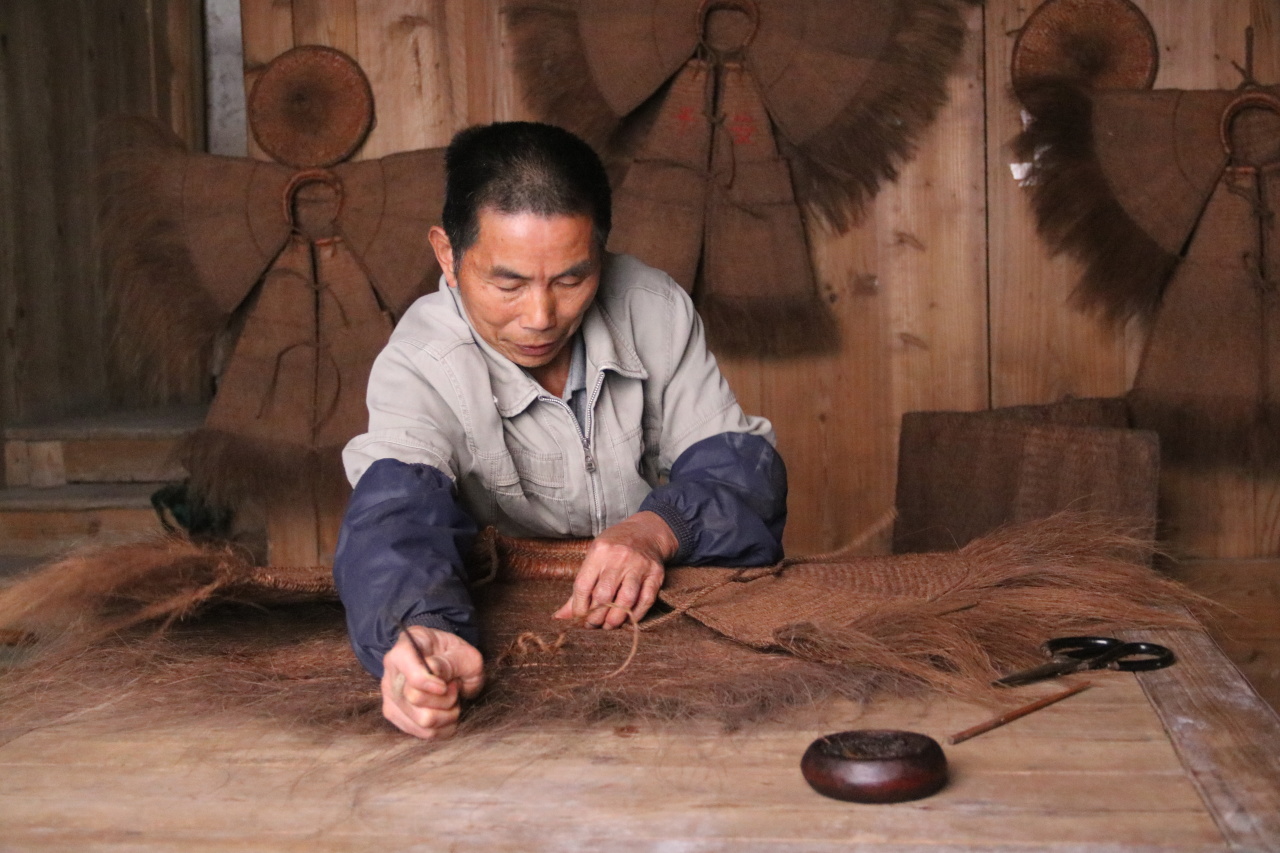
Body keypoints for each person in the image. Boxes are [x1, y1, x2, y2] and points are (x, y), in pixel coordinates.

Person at [333, 121, 787, 740]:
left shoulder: (653, 307)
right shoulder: (418, 361)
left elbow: (741, 473)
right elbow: (395, 517)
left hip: (659, 622)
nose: (541, 317)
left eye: (572, 279)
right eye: (508, 283)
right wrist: (419, 630)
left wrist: (655, 530)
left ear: (600, 252)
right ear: (447, 254)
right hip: (517, 629)